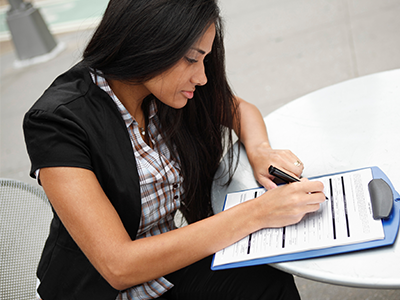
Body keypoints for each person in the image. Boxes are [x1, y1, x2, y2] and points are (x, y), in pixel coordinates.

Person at [23, 0, 325, 299]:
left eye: (204, 58)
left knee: (266, 279)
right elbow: (118, 266)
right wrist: (258, 213)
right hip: (98, 291)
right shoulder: (57, 121)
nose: (202, 77)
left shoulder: (162, 88)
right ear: (148, 44)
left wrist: (260, 151)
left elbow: (239, 110)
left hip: (162, 276)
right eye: (192, 60)